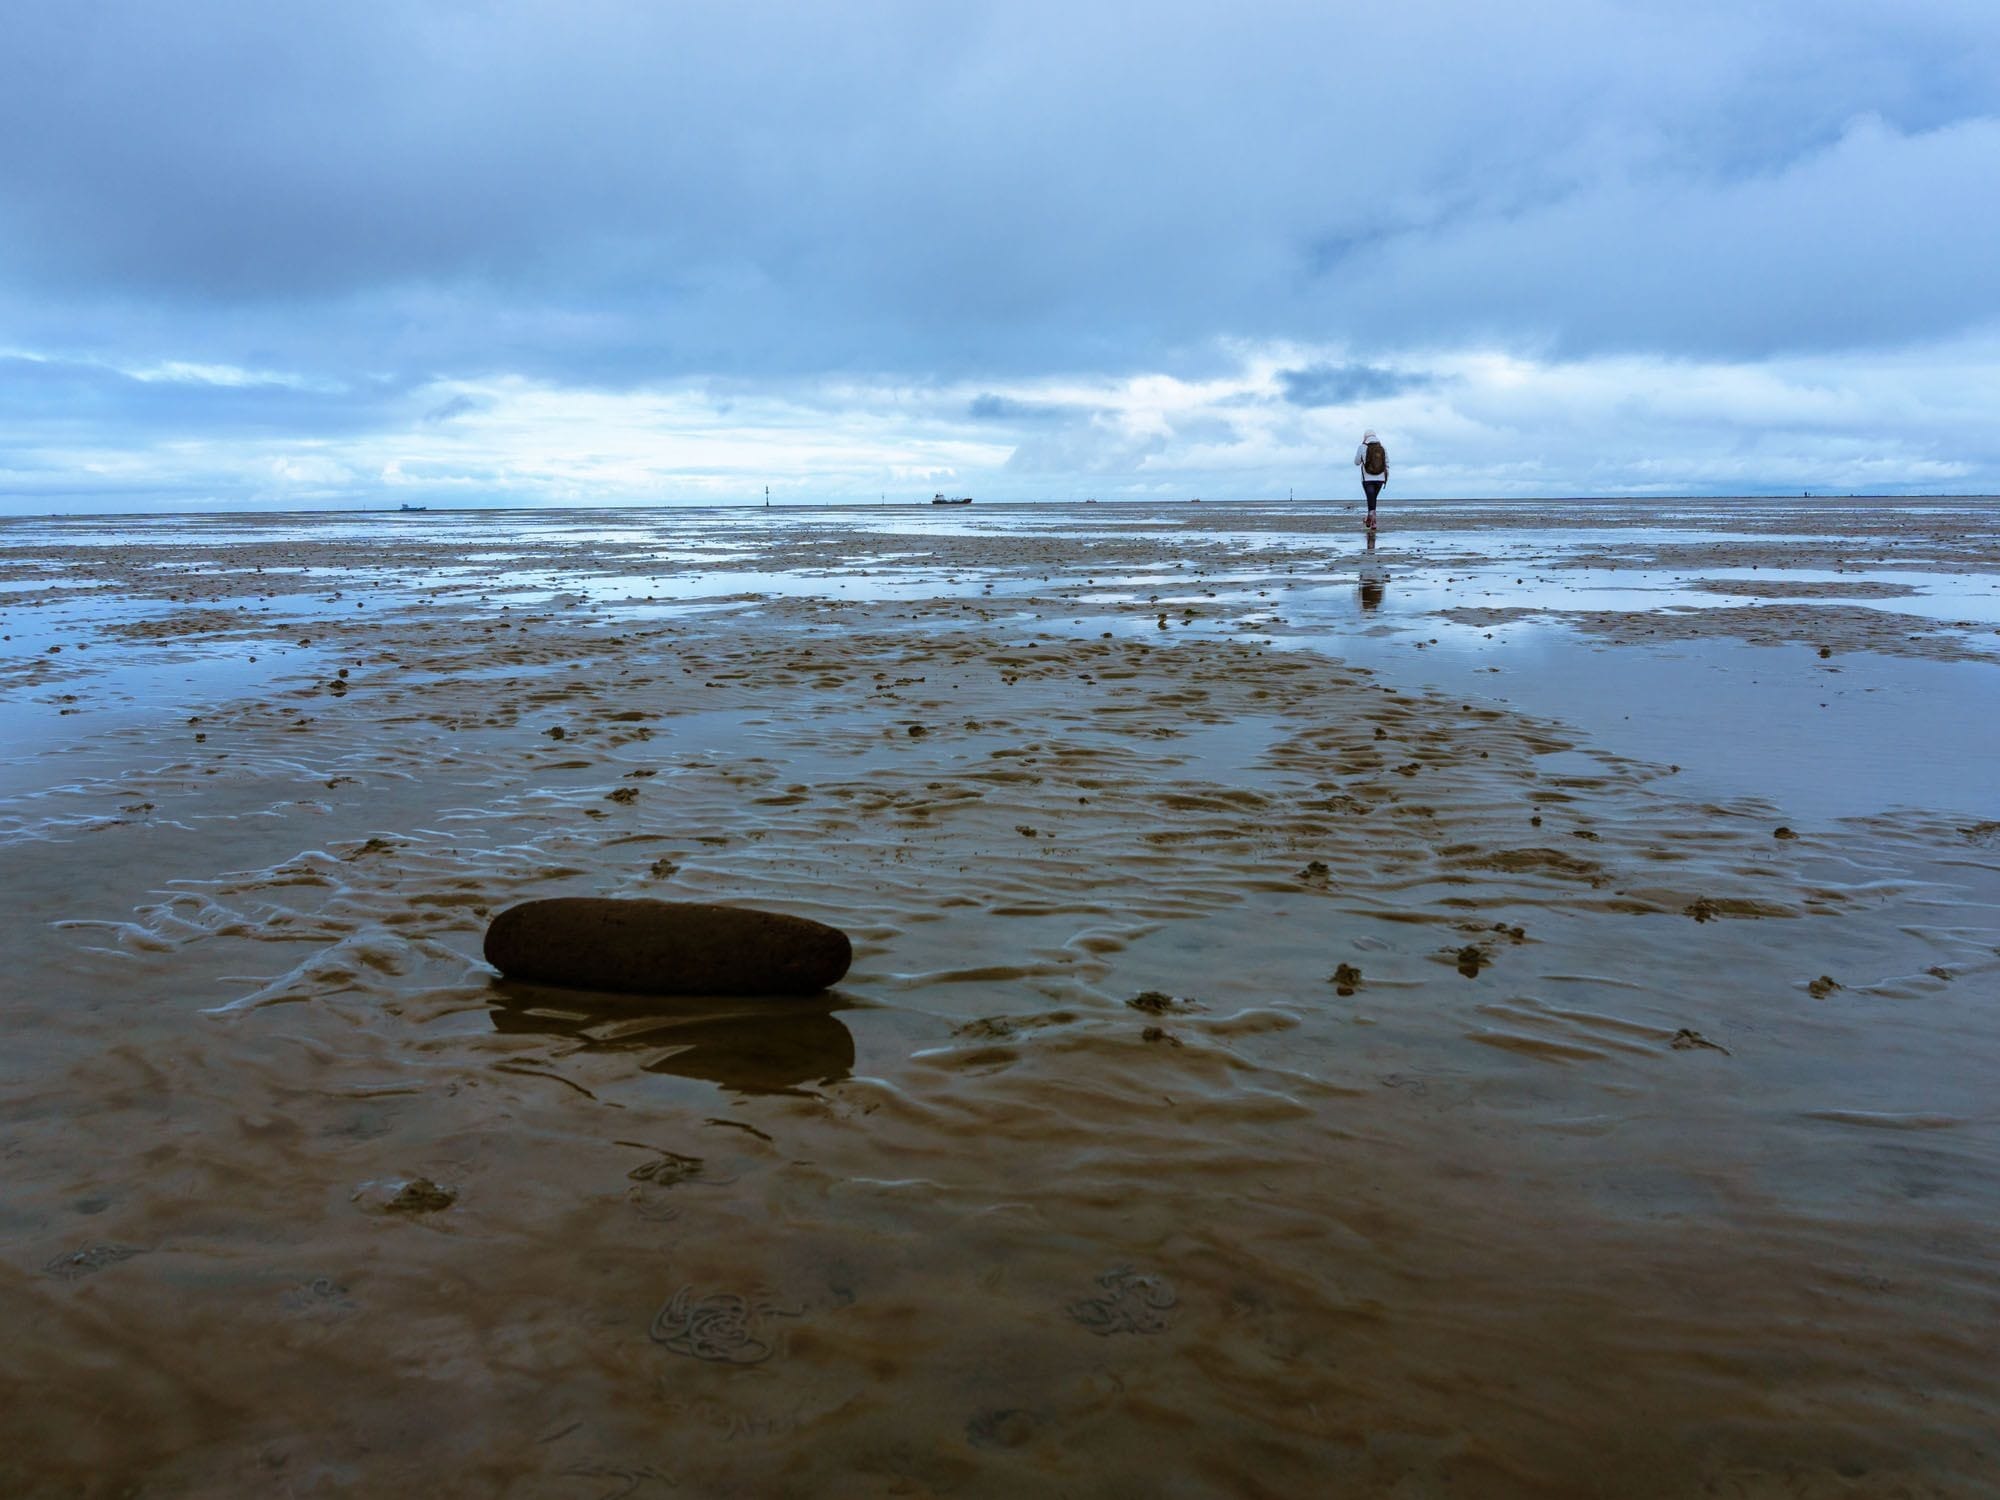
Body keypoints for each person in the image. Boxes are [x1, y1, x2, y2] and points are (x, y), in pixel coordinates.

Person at [1352, 429, 1389, 528]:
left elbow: (1356, 462)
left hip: (1367, 478)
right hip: (1380, 478)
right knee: (1373, 498)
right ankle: (1369, 519)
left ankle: (1373, 521)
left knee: (1371, 498)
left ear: (1365, 437)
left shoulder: (1362, 447)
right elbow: (1387, 462)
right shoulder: (1382, 448)